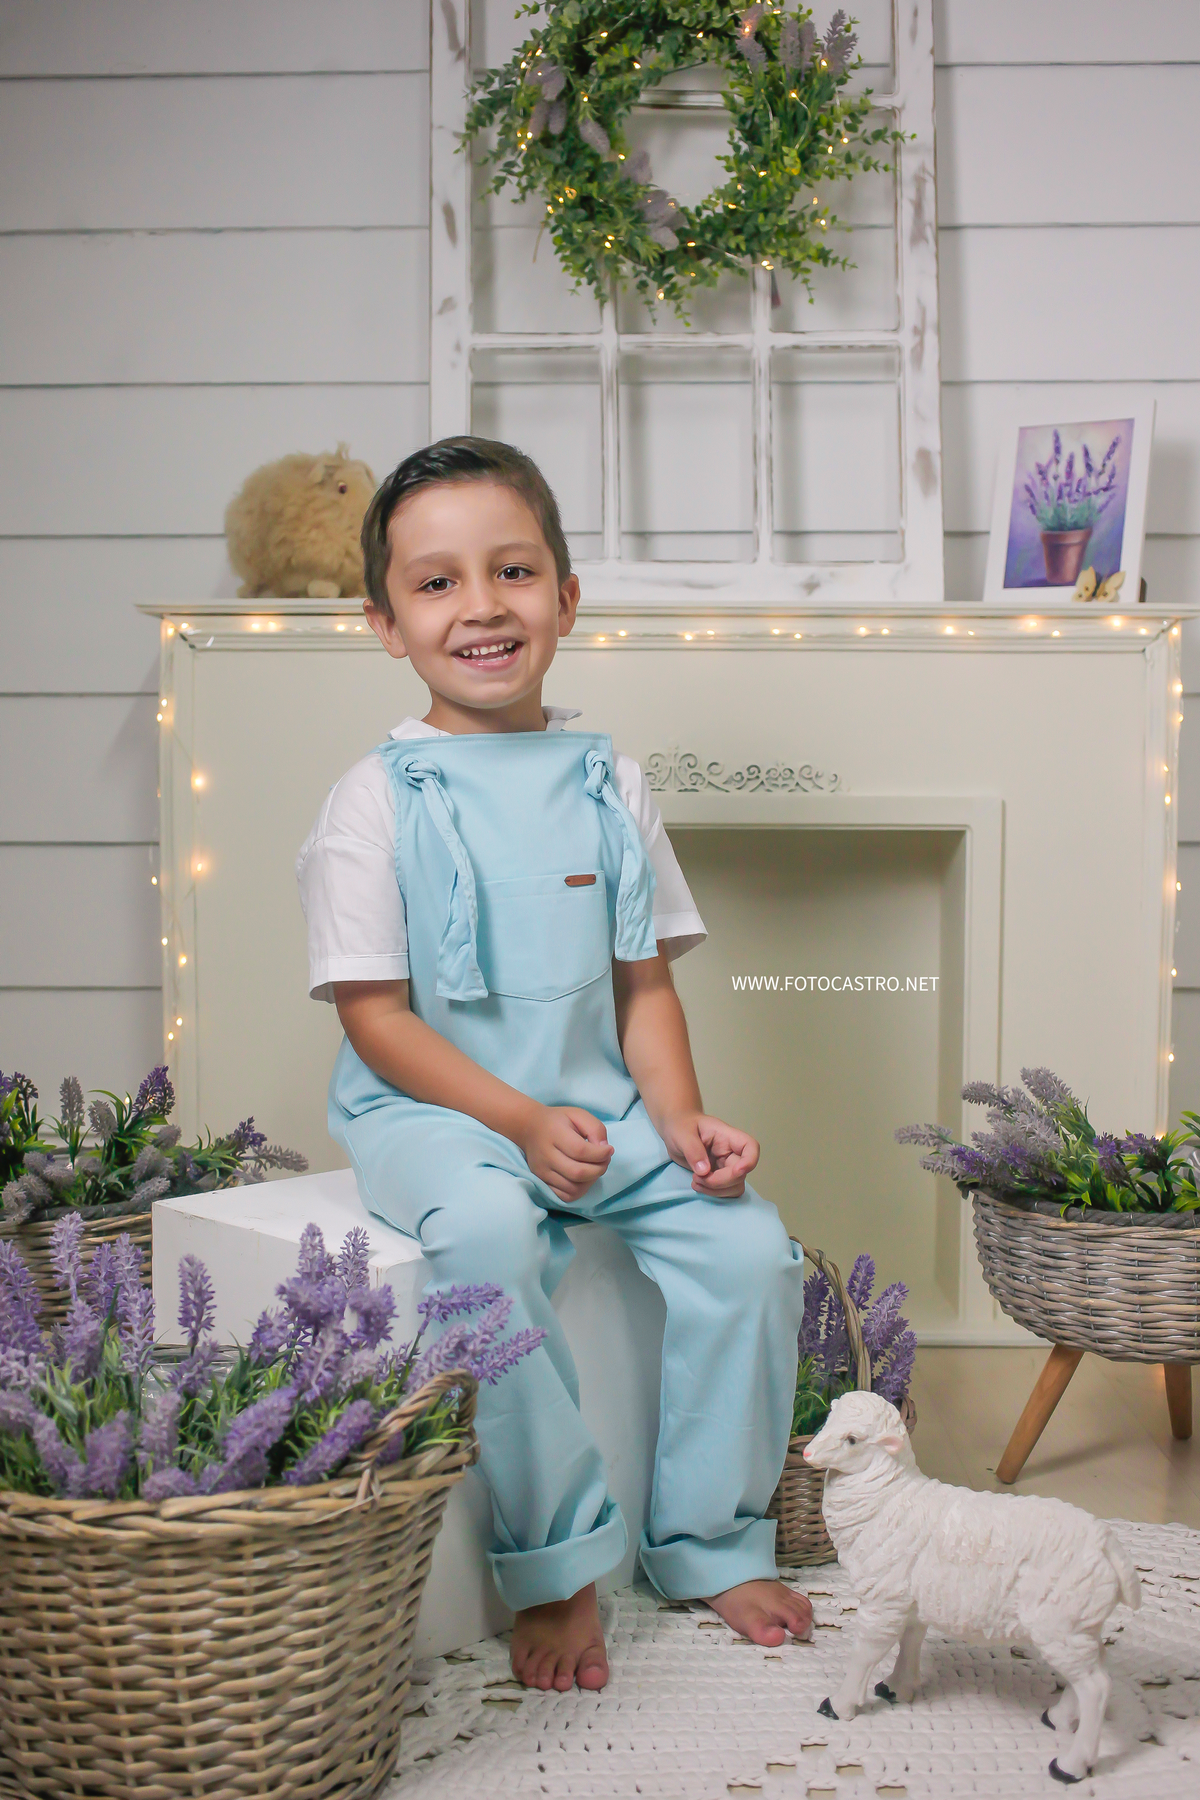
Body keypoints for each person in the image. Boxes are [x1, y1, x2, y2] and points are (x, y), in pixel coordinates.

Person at [297, 436, 811, 1693]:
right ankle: (557, 1560)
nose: (481, 605)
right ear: (385, 625)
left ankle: (708, 1538)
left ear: (566, 599)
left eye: (514, 571)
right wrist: (521, 1124)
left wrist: (678, 1119)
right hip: (436, 1114)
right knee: (482, 1240)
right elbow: (377, 1020)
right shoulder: (373, 801)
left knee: (748, 1247)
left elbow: (646, 988)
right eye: (437, 583)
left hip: (596, 1107)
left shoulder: (608, 784)